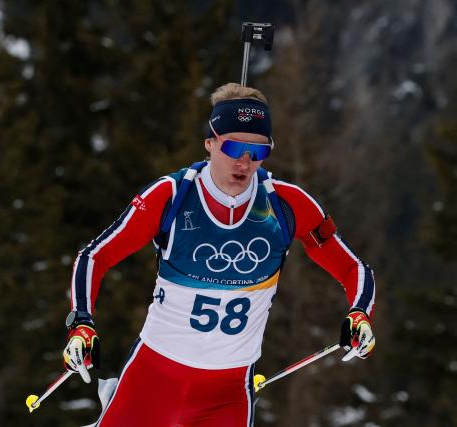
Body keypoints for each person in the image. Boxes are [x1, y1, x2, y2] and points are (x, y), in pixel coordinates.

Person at [62, 83, 376, 427]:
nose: (245, 162)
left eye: (258, 152)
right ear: (209, 143)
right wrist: (82, 323)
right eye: (235, 147)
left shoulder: (285, 205)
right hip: (153, 378)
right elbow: (95, 256)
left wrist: (359, 313)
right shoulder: (173, 195)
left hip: (227, 393)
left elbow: (352, 267)